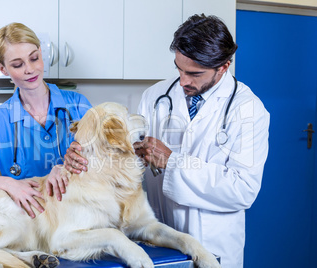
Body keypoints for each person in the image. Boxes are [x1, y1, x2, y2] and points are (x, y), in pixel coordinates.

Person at [65, 14, 270, 268]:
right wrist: (85, 153)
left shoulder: (249, 110)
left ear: (224, 67)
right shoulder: (156, 95)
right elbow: (124, 158)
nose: (183, 80)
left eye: (194, 73)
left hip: (215, 244)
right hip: (160, 239)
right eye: (179, 68)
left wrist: (173, 162)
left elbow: (243, 190)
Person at [0, 22, 91, 218]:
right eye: (17, 64)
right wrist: (8, 183)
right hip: (29, 224)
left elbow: (105, 160)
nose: (29, 69)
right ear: (2, 68)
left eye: (34, 58)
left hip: (79, 216)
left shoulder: (78, 105)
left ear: (41, 53)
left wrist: (63, 169)